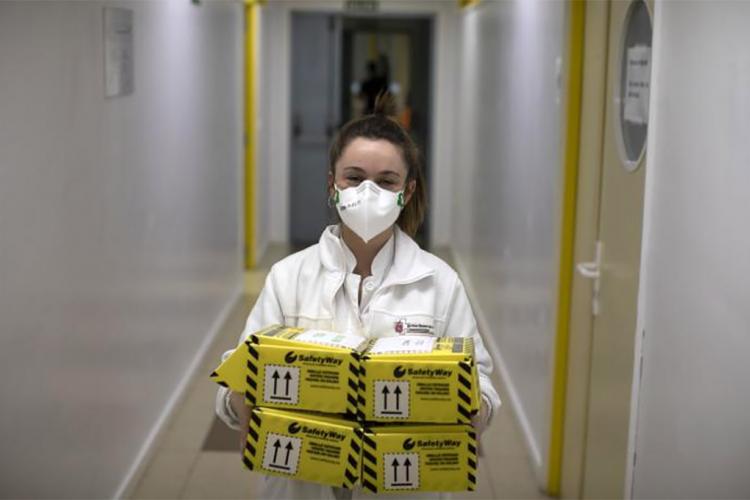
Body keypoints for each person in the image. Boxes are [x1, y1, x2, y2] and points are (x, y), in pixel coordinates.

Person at [215, 92, 501, 499]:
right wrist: (240, 400)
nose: (369, 192)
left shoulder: (440, 282)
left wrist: (473, 410)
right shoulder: (288, 276)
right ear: (333, 184)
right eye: (354, 177)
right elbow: (235, 378)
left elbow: (482, 385)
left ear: (407, 190)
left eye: (386, 181)